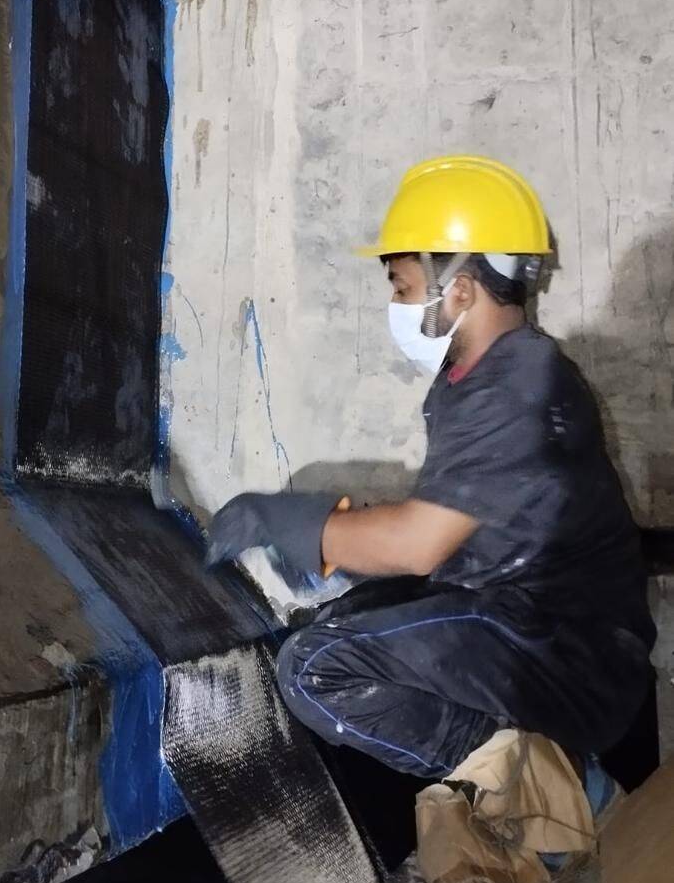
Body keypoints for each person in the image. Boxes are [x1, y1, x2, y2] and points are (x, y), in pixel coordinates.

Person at [207, 155, 656, 787]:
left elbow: (421, 544)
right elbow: (460, 529)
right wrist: (335, 550)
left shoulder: (518, 386)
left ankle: (559, 789)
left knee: (315, 668)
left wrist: (286, 522)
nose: (396, 303)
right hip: (531, 619)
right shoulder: (476, 379)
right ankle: (530, 770)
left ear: (462, 290)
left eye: (402, 285)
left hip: (570, 656)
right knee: (334, 622)